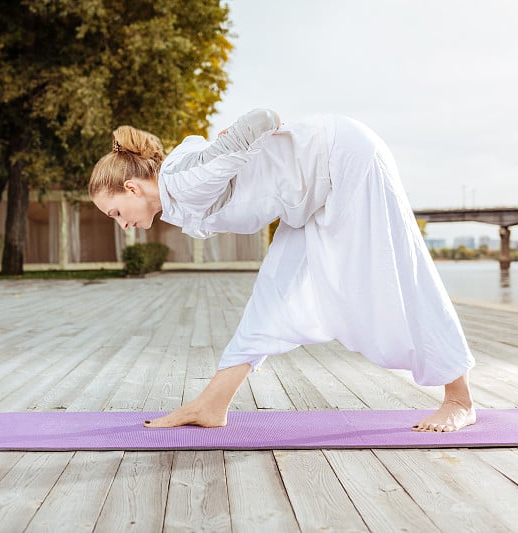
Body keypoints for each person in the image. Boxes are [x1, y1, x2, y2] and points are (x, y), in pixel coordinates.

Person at [89, 108, 476, 432]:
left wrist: (239, 137)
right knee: (272, 298)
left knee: (393, 274)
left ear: (132, 188)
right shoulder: (178, 189)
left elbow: (262, 118)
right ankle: (210, 405)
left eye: (116, 213)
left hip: (344, 160)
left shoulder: (183, 181)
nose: (122, 225)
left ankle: (460, 398)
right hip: (308, 194)